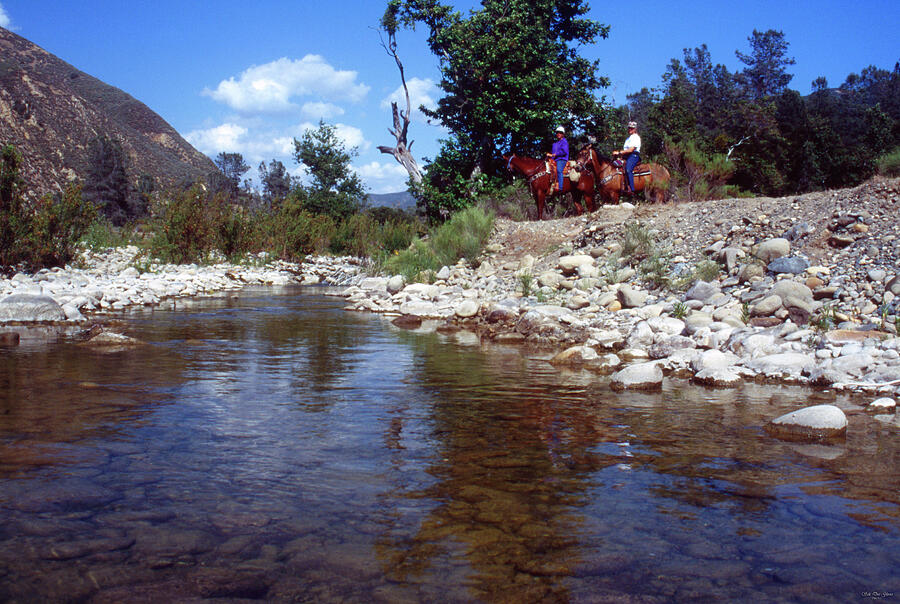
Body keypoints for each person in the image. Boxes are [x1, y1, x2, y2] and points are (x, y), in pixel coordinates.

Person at [612, 121, 641, 194]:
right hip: (626, 156)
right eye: (629, 128)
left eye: (632, 128)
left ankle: (631, 189)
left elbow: (631, 149)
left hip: (633, 155)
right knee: (615, 165)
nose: (630, 129)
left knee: (628, 169)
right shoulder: (628, 139)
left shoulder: (636, 137)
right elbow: (626, 150)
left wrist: (619, 153)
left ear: (635, 129)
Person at [547, 126, 568, 194]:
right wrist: (550, 158)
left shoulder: (564, 142)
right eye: (557, 133)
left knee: (559, 170)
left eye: (560, 133)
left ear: (563, 134)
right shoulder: (555, 144)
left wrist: (553, 155)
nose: (558, 134)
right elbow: (553, 152)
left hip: (562, 159)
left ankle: (560, 188)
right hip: (555, 159)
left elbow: (564, 152)